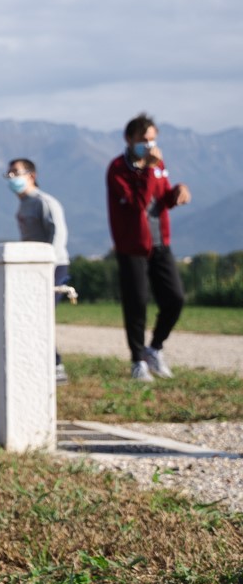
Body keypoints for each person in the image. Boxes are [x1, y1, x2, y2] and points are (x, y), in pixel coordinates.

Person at [106, 113, 190, 382]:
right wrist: (150, 170)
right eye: (144, 140)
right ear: (129, 139)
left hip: (159, 243)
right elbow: (137, 203)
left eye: (152, 140)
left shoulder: (157, 165)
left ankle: (154, 348)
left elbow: (161, 196)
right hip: (132, 246)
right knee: (137, 303)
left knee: (175, 298)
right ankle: (137, 361)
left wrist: (177, 192)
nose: (149, 145)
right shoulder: (118, 169)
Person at [7, 158, 71, 385]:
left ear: (31, 175)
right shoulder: (23, 204)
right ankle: (36, 364)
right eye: (9, 173)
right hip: (32, 267)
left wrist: (48, 263)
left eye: (17, 172)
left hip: (52, 266)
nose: (12, 177)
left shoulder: (44, 202)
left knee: (42, 316)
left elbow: (58, 234)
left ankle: (56, 366)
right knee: (29, 317)